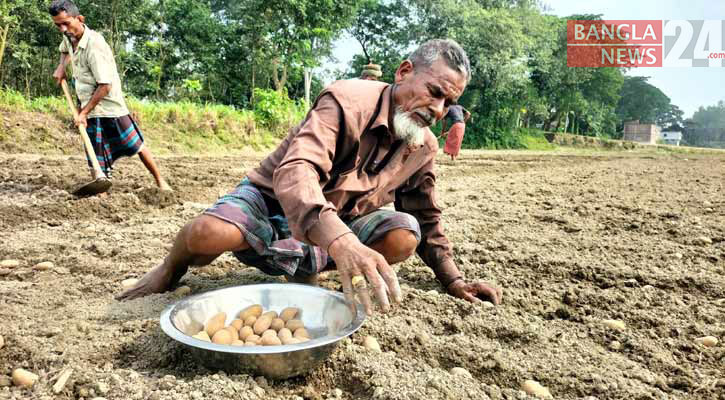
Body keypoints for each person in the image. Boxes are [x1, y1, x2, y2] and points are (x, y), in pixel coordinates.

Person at [118, 39, 502, 314]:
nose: (438, 109)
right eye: (434, 92)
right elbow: (297, 170)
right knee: (207, 234)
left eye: (448, 103)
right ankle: (170, 268)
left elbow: (426, 216)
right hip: (274, 202)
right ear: (404, 72)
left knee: (404, 234)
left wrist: (452, 279)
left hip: (339, 222)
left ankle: (312, 267)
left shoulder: (423, 146)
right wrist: (341, 241)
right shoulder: (346, 101)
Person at [49, 0, 171, 191]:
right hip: (87, 101)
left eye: (66, 23)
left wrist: (83, 113)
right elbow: (64, 50)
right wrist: (61, 67)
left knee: (135, 145)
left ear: (80, 19)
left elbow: (105, 85)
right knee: (94, 151)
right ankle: (100, 186)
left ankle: (160, 181)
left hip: (109, 105)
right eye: (58, 25)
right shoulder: (69, 36)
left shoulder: (95, 46)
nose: (63, 29)